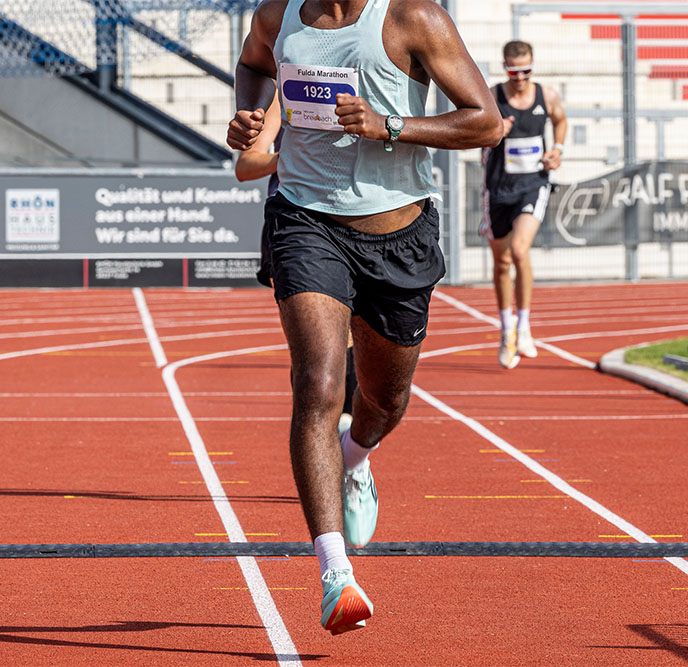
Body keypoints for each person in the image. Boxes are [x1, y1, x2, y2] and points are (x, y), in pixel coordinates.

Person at [228, 0, 502, 635]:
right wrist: (248, 116)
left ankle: (357, 455)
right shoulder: (277, 15)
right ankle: (335, 574)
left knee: (383, 401)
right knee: (318, 384)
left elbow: (486, 123)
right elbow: (253, 66)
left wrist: (388, 125)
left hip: (398, 235)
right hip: (306, 221)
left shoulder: (413, 19)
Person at [235, 94, 359, 428]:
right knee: (314, 342)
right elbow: (245, 166)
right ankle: (324, 431)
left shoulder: (360, 84)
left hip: (357, 220)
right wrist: (289, 157)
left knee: (356, 339)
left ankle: (351, 439)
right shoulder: (282, 95)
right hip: (296, 223)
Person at [480, 40, 567, 369]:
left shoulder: (547, 96)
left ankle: (525, 327)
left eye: (526, 71)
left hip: (533, 184)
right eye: (513, 71)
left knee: (519, 250)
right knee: (502, 263)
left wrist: (558, 149)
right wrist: (494, 130)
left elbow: (560, 120)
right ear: (505, 68)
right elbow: (473, 133)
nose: (520, 78)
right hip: (497, 188)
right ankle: (508, 331)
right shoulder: (492, 97)